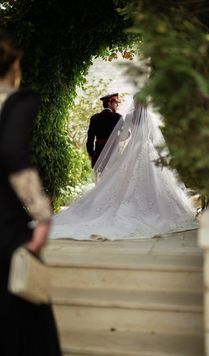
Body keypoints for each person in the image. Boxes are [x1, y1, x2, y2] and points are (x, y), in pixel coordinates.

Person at [50, 98, 198, 241]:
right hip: (149, 150)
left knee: (124, 179)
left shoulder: (128, 116)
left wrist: (124, 136)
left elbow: (124, 137)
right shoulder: (151, 117)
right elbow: (155, 138)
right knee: (156, 180)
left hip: (132, 151)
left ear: (134, 103)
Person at [0, 31, 61, 356]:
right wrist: (41, 216)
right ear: (13, 66)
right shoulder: (17, 101)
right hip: (4, 225)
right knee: (23, 317)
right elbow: (12, 152)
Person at [86, 93, 122, 167]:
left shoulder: (94, 118)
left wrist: (91, 153)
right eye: (115, 103)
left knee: (101, 176)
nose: (117, 105)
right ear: (109, 103)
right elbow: (126, 134)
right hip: (114, 152)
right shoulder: (117, 117)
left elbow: (90, 138)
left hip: (99, 153)